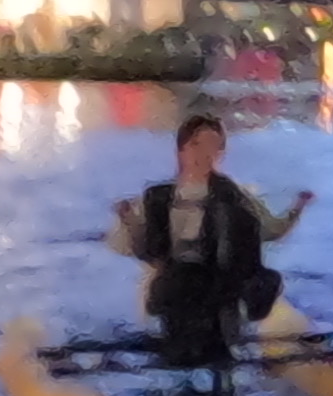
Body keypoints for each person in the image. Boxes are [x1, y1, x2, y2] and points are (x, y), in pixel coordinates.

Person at [109, 110, 306, 366]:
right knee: (179, 296)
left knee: (214, 340)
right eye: (197, 145)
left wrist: (297, 209)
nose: (204, 153)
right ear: (181, 150)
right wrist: (128, 221)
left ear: (220, 153)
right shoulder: (156, 198)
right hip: (176, 289)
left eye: (213, 146)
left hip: (220, 291)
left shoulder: (235, 197)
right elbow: (134, 246)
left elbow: (271, 230)